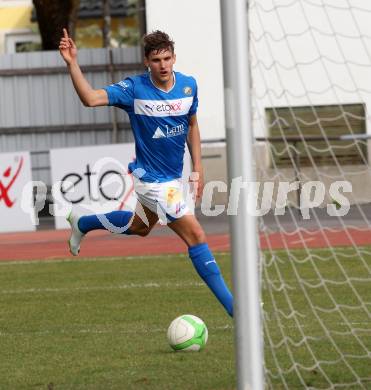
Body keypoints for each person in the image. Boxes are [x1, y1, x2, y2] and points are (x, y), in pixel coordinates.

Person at [59, 29, 233, 317]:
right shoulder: (134, 90)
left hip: (173, 179)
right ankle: (235, 309)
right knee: (196, 235)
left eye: (167, 58)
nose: (163, 65)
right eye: (156, 60)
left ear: (174, 57)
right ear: (146, 62)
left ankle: (83, 222)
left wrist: (198, 169)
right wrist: (72, 63)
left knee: (139, 227)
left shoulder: (189, 86)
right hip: (150, 181)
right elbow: (90, 98)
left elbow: (191, 125)